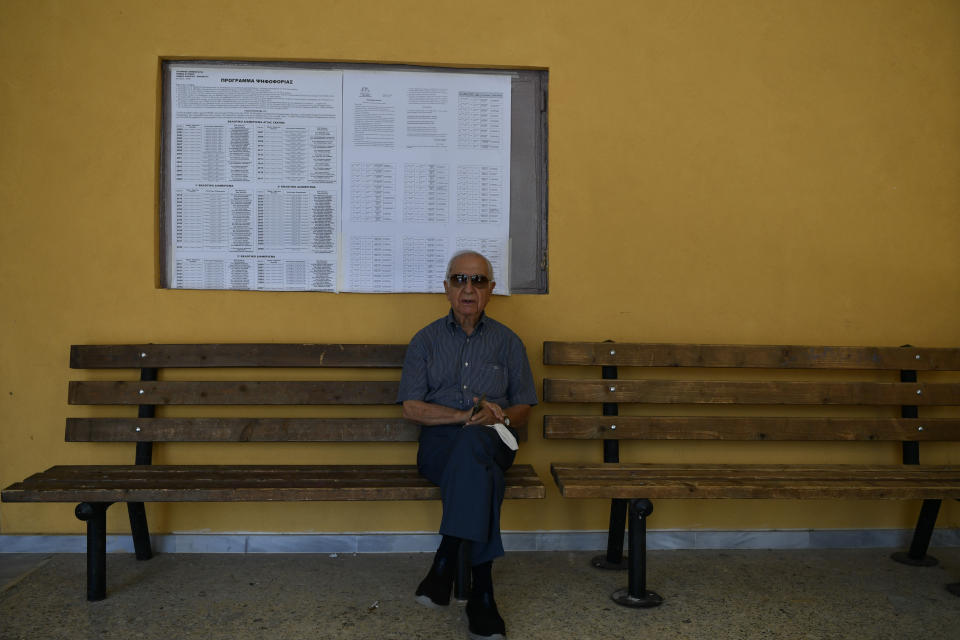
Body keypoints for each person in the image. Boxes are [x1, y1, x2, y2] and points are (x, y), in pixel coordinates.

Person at [397, 250, 537, 640]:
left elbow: (525, 407)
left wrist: (500, 416)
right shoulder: (425, 341)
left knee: (478, 445)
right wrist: (463, 416)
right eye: (460, 280)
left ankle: (445, 561)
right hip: (441, 445)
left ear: (491, 289)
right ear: (446, 289)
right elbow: (411, 408)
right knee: (481, 471)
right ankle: (482, 591)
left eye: (478, 281)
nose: (468, 288)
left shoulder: (508, 343)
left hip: (496, 439)